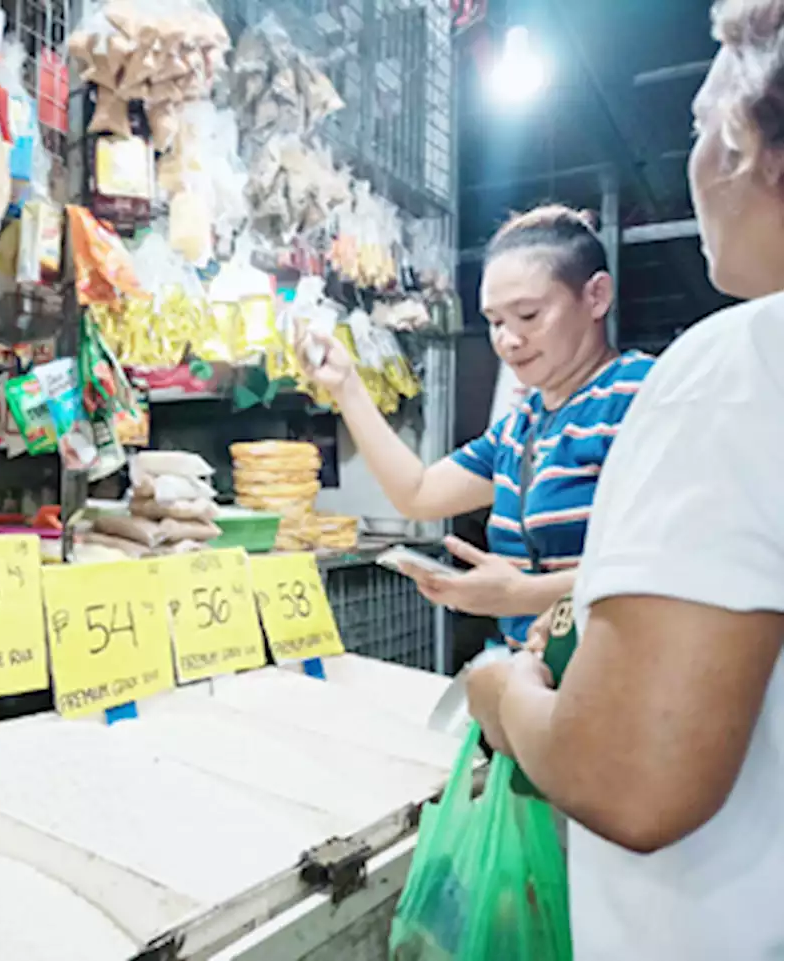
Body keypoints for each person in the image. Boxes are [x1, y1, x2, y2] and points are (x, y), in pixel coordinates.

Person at [466, 4, 785, 956]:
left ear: (753, 142)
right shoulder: (525, 419)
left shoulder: (732, 372)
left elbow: (632, 775)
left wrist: (499, 692)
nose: (512, 340)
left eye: (697, 127)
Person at [299, 205, 653, 648]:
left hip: (620, 682)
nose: (508, 339)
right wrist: (348, 386)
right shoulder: (519, 430)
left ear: (596, 296)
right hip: (538, 680)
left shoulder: (643, 396)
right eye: (495, 322)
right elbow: (419, 494)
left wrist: (522, 596)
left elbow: (673, 562)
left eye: (528, 315)